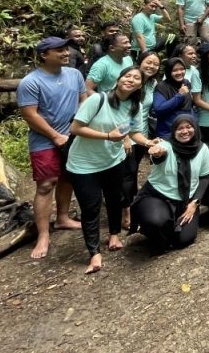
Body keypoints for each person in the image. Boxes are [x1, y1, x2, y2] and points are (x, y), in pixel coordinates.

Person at [68, 66, 151, 274]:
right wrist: (107, 136)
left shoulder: (135, 106)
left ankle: (114, 235)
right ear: (118, 79)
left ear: (140, 85)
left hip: (113, 161)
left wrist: (149, 142)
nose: (130, 79)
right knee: (91, 207)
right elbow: (75, 128)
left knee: (115, 199)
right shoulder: (98, 100)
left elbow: (135, 132)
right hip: (83, 164)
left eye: (136, 78)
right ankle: (94, 253)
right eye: (127, 76)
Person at [16, 36, 86, 259]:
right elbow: (29, 114)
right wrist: (55, 136)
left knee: (68, 177)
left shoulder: (75, 74)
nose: (66, 53)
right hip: (44, 140)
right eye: (59, 50)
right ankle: (43, 234)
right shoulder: (31, 82)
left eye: (66, 49)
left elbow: (83, 100)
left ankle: (63, 218)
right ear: (44, 55)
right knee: (46, 184)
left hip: (72, 136)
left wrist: (78, 128)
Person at [130, 114, 209, 251]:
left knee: (184, 239)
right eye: (180, 128)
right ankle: (154, 229)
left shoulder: (202, 149)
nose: (185, 131)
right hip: (158, 196)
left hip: (186, 200)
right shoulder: (166, 146)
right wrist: (156, 153)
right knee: (155, 222)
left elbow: (205, 177)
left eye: (189, 127)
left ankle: (169, 226)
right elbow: (158, 155)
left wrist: (195, 203)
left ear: (195, 128)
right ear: (174, 131)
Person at [122, 51, 162, 223]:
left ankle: (130, 203)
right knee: (129, 173)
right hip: (124, 135)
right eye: (148, 62)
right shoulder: (130, 81)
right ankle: (126, 211)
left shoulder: (153, 84)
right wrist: (124, 137)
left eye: (156, 64)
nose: (151, 66)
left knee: (133, 171)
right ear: (140, 62)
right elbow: (120, 112)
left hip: (141, 133)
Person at [153, 57, 193, 140]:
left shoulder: (186, 83)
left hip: (186, 131)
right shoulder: (162, 87)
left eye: (182, 69)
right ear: (168, 71)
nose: (179, 72)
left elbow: (189, 106)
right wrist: (179, 95)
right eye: (175, 70)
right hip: (168, 133)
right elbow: (158, 109)